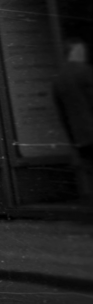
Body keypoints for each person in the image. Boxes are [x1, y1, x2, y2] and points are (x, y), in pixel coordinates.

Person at [53, 41, 93, 208]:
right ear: (74, 52)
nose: (84, 54)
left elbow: (62, 115)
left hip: (80, 135)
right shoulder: (85, 72)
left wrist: (73, 139)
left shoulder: (59, 79)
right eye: (81, 50)